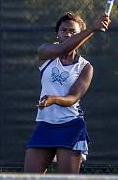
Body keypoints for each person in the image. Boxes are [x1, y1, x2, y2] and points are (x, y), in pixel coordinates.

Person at [24, 12, 111, 174]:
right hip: (45, 125)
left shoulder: (85, 67)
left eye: (73, 32)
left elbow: (73, 97)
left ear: (81, 36)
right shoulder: (45, 53)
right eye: (64, 30)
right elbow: (64, 47)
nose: (68, 34)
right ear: (57, 33)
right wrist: (93, 28)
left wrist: (54, 99)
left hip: (71, 126)